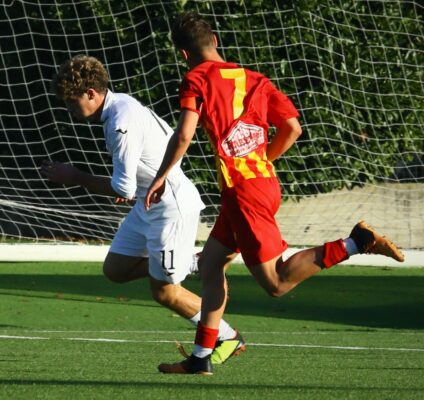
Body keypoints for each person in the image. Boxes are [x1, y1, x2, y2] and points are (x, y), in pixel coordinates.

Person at [145, 12, 405, 375]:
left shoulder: (195, 78)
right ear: (215, 40)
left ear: (184, 54)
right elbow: (293, 128)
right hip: (261, 183)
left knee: (277, 283)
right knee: (210, 264)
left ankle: (356, 242)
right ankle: (202, 357)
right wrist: (261, 160)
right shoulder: (255, 79)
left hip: (244, 193)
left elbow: (185, 133)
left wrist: (161, 176)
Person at [43, 55, 246, 365]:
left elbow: (121, 188)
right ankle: (190, 262)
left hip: (170, 208)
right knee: (116, 269)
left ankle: (227, 335)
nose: (69, 110)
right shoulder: (120, 105)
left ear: (91, 94)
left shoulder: (120, 122)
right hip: (148, 203)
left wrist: (75, 177)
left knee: (165, 292)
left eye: (71, 102)